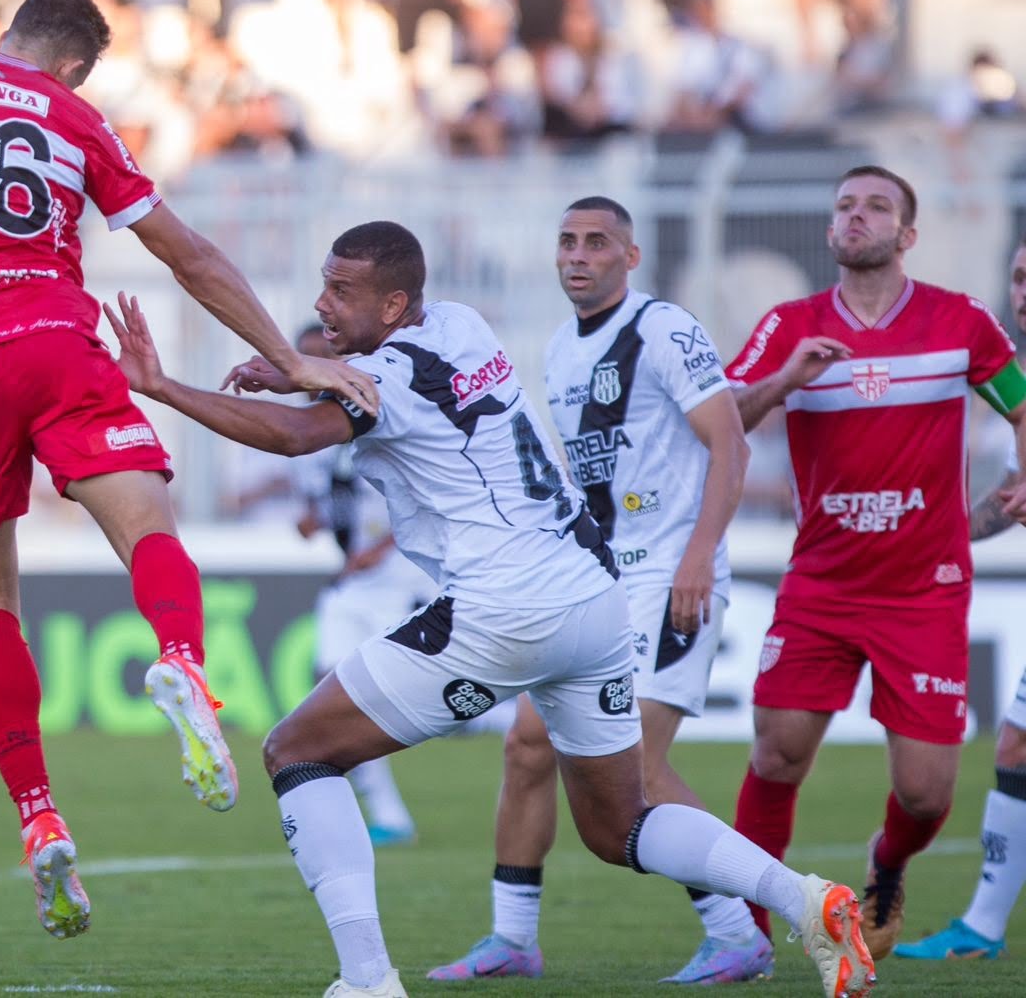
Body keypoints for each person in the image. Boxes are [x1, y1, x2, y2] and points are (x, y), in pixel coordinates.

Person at [103, 222, 874, 998]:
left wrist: (165, 387)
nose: (320, 303)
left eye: (342, 291)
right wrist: (297, 370)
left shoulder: (388, 379)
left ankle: (367, 979)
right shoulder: (461, 324)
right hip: (593, 598)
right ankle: (805, 900)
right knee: (620, 827)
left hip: (505, 607)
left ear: (396, 301)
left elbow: (304, 436)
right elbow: (357, 377)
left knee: (297, 751)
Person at [0, 0, 314, 939]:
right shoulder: (75, 114)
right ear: (75, 63)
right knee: (146, 531)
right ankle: (180, 659)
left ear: (7, 35)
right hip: (53, 337)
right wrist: (287, 356)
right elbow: (191, 256)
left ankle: (38, 813)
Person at [429, 197, 766, 985]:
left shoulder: (665, 328)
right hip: (597, 577)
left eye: (596, 243)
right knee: (526, 745)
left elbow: (731, 443)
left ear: (630, 256)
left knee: (634, 769)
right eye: (566, 242)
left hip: (669, 572)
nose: (577, 255)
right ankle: (512, 937)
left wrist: (699, 555)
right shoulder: (561, 349)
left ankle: (737, 931)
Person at [725, 166, 1026, 958]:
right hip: (820, 585)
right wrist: (788, 379)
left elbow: (1021, 402)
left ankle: (886, 861)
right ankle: (747, 939)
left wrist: (1016, 485)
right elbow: (721, 417)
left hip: (923, 595)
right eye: (845, 207)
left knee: (926, 796)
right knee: (776, 754)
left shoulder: (959, 322)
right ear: (830, 231)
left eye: (877, 207)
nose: (857, 217)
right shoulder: (789, 325)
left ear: (907, 234)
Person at [892, 234, 1026, 962]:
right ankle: (983, 926)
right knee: (1017, 746)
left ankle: (984, 926)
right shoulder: (1021, 392)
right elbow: (1009, 504)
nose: (1025, 292)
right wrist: (931, 540)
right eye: (1019, 278)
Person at [288, 322, 425, 850]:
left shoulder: (372, 412)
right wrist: (313, 520)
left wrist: (377, 550)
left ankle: (521, 726)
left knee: (387, 701)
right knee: (332, 691)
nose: (307, 370)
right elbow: (330, 502)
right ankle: (386, 814)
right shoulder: (308, 436)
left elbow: (411, 494)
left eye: (318, 356)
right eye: (300, 358)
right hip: (352, 586)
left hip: (399, 580)